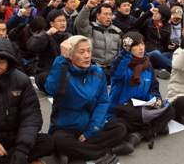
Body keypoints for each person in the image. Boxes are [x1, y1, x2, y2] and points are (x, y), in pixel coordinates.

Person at [45, 36, 134, 164]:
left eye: (89, 51)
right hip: (67, 128)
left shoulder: (97, 73)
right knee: (59, 141)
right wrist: (61, 59)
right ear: (70, 56)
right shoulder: (64, 72)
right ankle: (104, 153)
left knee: (120, 128)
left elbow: (102, 102)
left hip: (89, 127)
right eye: (81, 52)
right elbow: (51, 89)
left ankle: (77, 154)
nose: (87, 55)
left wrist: (91, 131)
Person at [107, 32, 175, 147]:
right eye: (136, 45)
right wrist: (125, 53)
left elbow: (153, 87)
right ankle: (154, 128)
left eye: (142, 44)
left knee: (170, 109)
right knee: (121, 125)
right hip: (122, 109)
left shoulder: (147, 65)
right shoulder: (121, 63)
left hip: (142, 107)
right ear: (127, 47)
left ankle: (140, 134)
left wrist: (155, 100)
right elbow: (116, 74)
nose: (141, 48)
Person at [74, 0, 122, 81]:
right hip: (94, 67)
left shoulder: (117, 32)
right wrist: (87, 7)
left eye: (110, 14)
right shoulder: (91, 28)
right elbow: (80, 23)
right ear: (98, 15)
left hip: (112, 68)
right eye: (105, 14)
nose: (108, 17)